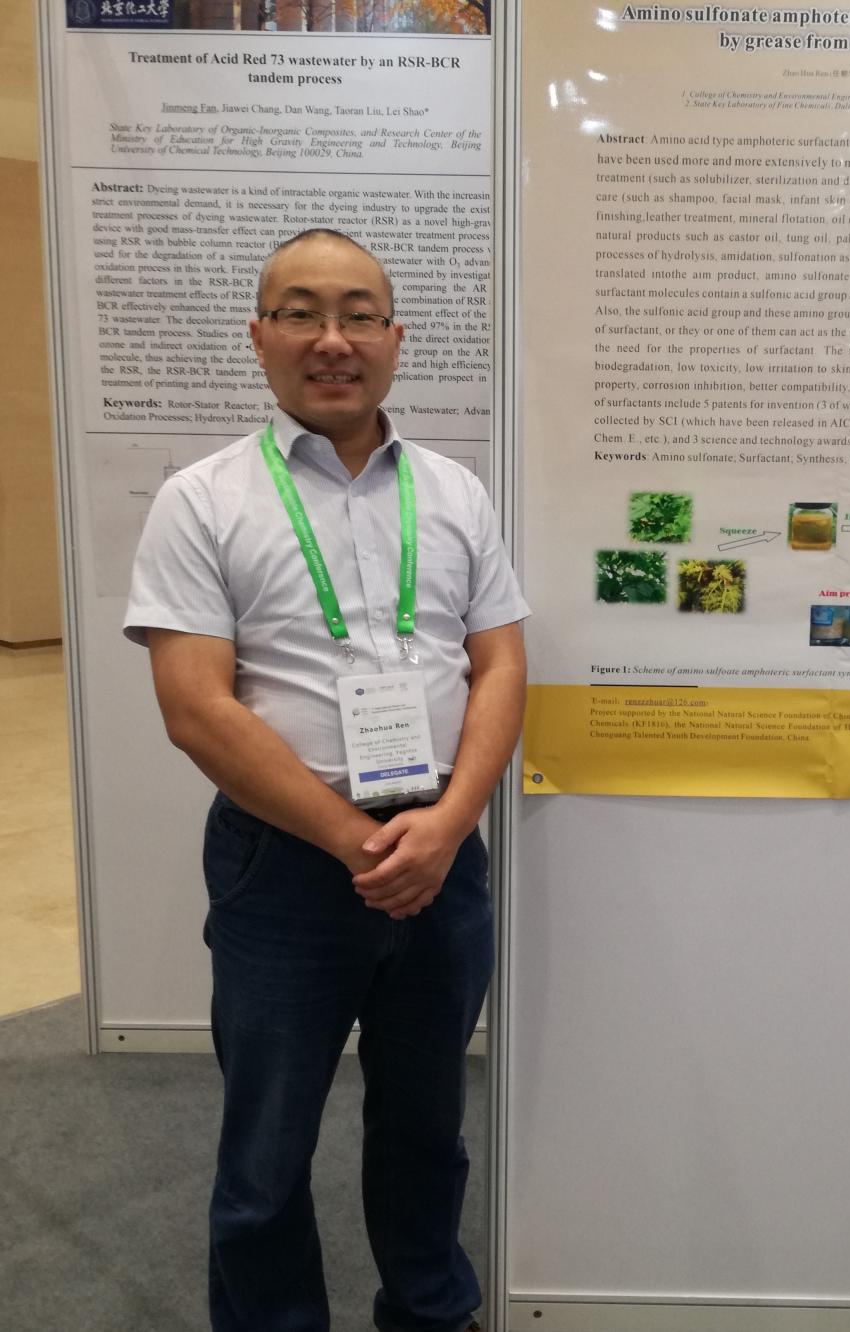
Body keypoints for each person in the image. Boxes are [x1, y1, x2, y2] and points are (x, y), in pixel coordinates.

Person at [125, 228, 528, 1332]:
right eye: (300, 313)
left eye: (358, 314)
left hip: (442, 852)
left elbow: (499, 665)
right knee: (267, 1149)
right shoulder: (201, 499)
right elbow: (195, 707)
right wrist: (358, 842)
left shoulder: (454, 492)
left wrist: (448, 823)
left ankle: (429, 1312)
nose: (332, 339)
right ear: (259, 337)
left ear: (396, 337)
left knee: (427, 1125)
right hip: (288, 864)